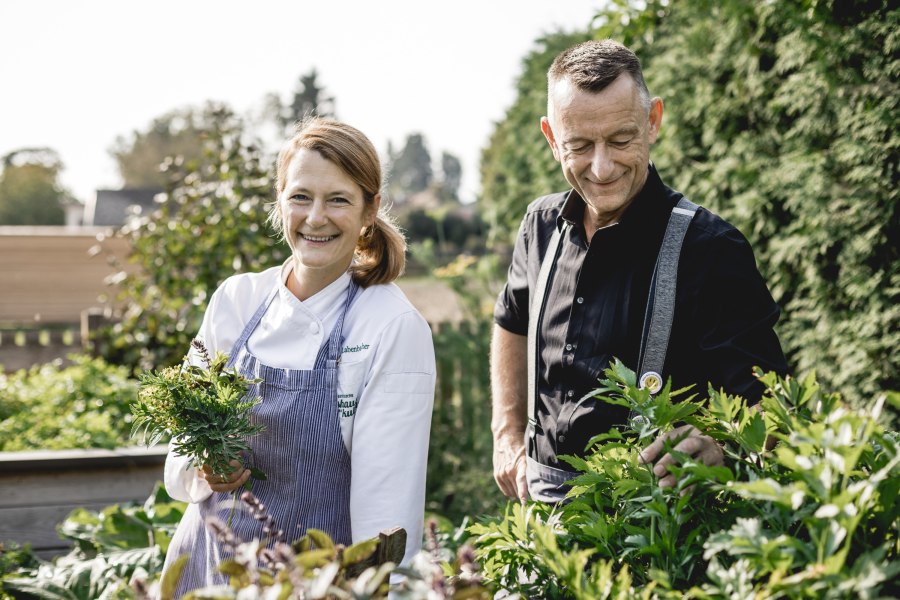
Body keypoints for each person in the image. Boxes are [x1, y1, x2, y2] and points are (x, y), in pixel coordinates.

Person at [491, 40, 788, 503]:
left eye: (621, 140)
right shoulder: (539, 226)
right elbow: (511, 321)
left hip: (655, 535)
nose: (602, 166)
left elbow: (769, 408)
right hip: (541, 526)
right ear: (552, 139)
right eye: (580, 146)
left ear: (653, 121)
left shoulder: (711, 250)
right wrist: (506, 433)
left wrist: (720, 448)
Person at [161, 117, 436, 596]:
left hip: (312, 584)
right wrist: (205, 464)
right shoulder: (237, 300)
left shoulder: (389, 326)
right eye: (301, 197)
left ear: (370, 209)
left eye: (338, 200)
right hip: (206, 571)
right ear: (280, 200)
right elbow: (181, 449)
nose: (315, 217)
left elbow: (386, 511)